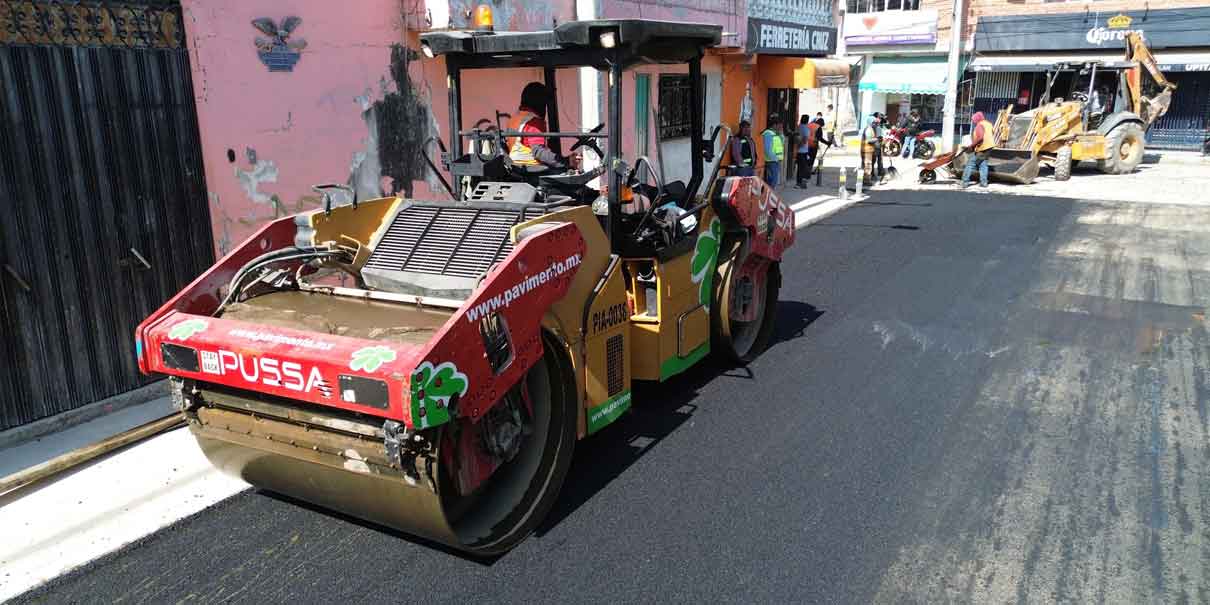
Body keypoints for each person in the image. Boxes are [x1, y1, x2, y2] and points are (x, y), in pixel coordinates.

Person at [507, 82, 576, 171]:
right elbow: (539, 152)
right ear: (539, 103)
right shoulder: (533, 122)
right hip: (532, 169)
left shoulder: (515, 118)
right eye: (545, 104)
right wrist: (566, 161)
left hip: (518, 167)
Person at [960, 111, 996, 188]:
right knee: (983, 164)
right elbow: (991, 134)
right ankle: (984, 183)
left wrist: (972, 146)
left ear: (977, 118)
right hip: (989, 147)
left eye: (974, 119)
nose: (973, 121)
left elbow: (980, 138)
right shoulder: (988, 124)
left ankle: (964, 182)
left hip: (982, 148)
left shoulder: (980, 125)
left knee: (970, 164)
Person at [761, 116, 785, 187]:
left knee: (774, 182)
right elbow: (767, 150)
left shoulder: (775, 133)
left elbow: (782, 142)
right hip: (771, 162)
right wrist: (775, 159)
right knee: (771, 182)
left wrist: (781, 133)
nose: (781, 127)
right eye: (779, 125)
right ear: (774, 125)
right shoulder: (768, 134)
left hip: (776, 161)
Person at [861, 113, 883, 186]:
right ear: (870, 122)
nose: (875, 124)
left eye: (875, 122)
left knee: (868, 165)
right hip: (866, 150)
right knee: (867, 166)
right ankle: (866, 181)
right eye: (874, 122)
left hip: (869, 150)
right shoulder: (868, 129)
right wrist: (877, 139)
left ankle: (867, 179)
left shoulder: (871, 129)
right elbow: (868, 140)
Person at [795, 115, 816, 188]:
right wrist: (799, 146)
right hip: (803, 151)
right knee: (803, 168)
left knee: (799, 168)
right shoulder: (806, 129)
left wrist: (797, 147)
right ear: (807, 120)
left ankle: (798, 182)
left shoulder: (798, 126)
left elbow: (797, 136)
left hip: (799, 151)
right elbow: (804, 140)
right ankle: (800, 184)